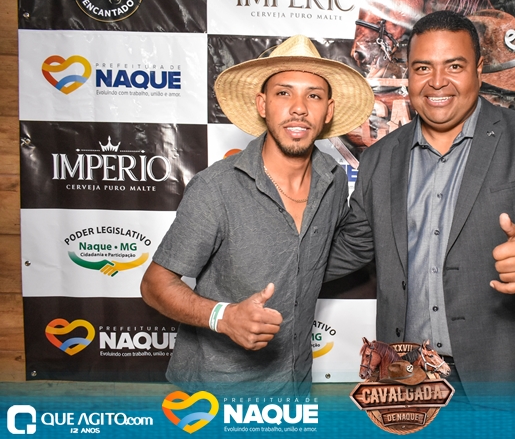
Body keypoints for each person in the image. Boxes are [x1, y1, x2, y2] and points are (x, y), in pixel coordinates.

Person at [326, 11, 515, 397]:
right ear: (408, 74)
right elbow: (350, 248)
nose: (437, 82)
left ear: (478, 70)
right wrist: (262, 271)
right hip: (410, 383)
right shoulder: (380, 157)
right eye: (423, 67)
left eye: (454, 66)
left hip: (509, 377)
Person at [140, 34, 374, 395]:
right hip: (215, 394)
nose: (299, 108)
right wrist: (224, 316)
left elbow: (321, 256)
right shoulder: (216, 187)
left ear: (328, 111)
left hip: (295, 384)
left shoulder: (333, 179)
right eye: (284, 93)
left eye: (313, 95)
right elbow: (155, 285)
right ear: (262, 104)